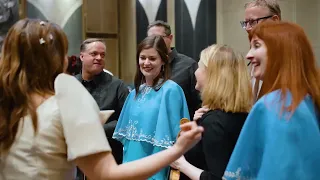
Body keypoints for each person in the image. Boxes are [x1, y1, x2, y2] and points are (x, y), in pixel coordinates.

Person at [0, 18, 204, 180]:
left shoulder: (7, 102)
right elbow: (106, 173)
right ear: (54, 60)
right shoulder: (68, 97)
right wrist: (177, 150)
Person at [223, 21, 320, 179]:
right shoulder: (307, 101)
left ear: (280, 50)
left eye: (257, 45)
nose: (248, 55)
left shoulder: (275, 106)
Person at [113, 35, 190, 180]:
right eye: (142, 58)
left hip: (156, 171)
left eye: (152, 58)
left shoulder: (171, 90)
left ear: (163, 60)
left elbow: (176, 139)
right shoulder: (135, 93)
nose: (146, 63)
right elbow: (127, 142)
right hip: (130, 167)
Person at [170, 44, 253, 180]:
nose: (195, 72)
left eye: (200, 66)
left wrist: (181, 164)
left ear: (212, 75)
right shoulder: (242, 116)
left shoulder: (214, 123)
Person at [75, 38, 128, 165]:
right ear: (82, 56)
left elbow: (126, 121)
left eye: (102, 55)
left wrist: (98, 130)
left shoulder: (117, 86)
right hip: (77, 157)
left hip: (110, 156)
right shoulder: (71, 85)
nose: (99, 58)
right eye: (94, 54)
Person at [147, 20, 201, 118]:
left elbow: (199, 102)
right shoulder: (147, 66)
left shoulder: (188, 66)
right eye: (150, 38)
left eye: (158, 38)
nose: (154, 42)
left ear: (170, 38)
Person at [242, 0, 281, 101]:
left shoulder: (291, 58)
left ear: (275, 20)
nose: (247, 28)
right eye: (245, 23)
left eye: (252, 22)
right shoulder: (254, 57)